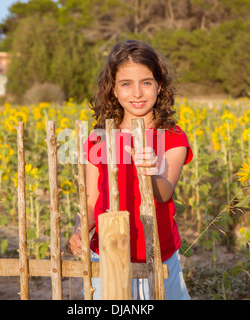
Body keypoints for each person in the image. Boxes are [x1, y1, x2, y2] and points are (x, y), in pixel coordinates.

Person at [68, 39, 193, 300]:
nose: (137, 93)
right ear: (113, 89)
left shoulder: (172, 137)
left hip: (158, 253)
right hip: (106, 252)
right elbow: (92, 199)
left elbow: (165, 192)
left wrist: (151, 171)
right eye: (126, 84)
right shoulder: (98, 138)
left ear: (160, 86)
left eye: (146, 83)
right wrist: (81, 228)